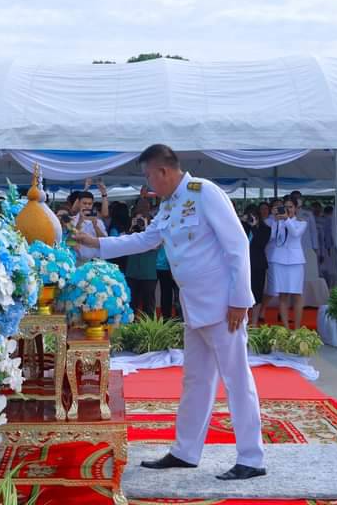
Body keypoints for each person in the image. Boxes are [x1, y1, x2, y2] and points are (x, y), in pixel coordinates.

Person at [74, 144, 265, 480]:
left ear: (163, 171)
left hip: (223, 306)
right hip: (193, 306)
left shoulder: (204, 192)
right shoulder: (169, 205)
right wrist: (98, 246)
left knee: (236, 379)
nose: (148, 184)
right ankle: (186, 451)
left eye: (149, 176)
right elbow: (146, 239)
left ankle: (251, 457)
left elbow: (237, 244)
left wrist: (240, 299)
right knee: (196, 380)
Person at [265, 199, 308, 329]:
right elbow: (271, 237)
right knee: (283, 294)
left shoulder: (301, 223)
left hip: (295, 261)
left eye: (290, 207)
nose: (288, 209)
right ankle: (286, 328)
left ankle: (297, 327)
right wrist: (275, 220)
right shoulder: (278, 222)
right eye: (285, 207)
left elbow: (295, 233)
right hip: (279, 260)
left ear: (295, 209)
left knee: (297, 294)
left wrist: (286, 220)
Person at [242, 205, 272, 325]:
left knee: (257, 293)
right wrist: (242, 222)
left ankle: (254, 323)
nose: (252, 218)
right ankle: (243, 321)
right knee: (243, 292)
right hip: (243, 264)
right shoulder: (242, 227)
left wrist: (254, 227)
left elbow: (260, 244)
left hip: (258, 264)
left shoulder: (266, 229)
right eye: (249, 216)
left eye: (254, 215)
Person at [125, 214, 159, 316]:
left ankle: (149, 329)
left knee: (148, 304)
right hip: (132, 273)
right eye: (137, 220)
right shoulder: (131, 235)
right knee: (131, 303)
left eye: (142, 220)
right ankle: (130, 327)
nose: (140, 222)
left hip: (148, 274)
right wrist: (132, 228)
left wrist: (146, 227)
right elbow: (124, 244)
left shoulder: (155, 236)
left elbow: (155, 246)